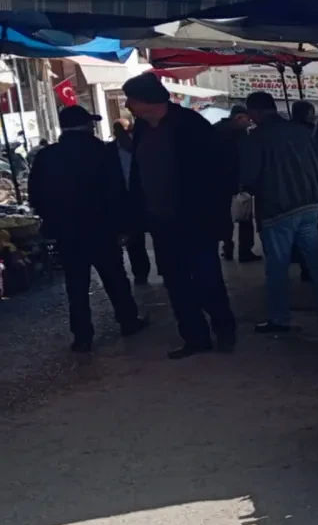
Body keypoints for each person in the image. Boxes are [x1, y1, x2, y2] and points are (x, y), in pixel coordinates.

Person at [123, 73, 237, 358]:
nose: (127, 105)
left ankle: (224, 331)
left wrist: (217, 217)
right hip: (161, 221)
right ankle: (194, 337)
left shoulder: (191, 125)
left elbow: (219, 174)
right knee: (176, 282)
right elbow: (138, 173)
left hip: (196, 220)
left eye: (131, 99)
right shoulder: (142, 128)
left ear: (148, 100)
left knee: (207, 278)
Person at [27, 105, 149, 353]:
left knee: (76, 284)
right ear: (87, 126)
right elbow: (117, 192)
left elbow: (36, 195)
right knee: (115, 278)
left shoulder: (46, 156)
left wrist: (51, 223)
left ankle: (82, 336)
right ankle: (128, 321)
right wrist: (126, 226)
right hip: (102, 229)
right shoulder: (103, 152)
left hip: (67, 232)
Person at [239, 90, 318, 333]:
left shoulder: (257, 137)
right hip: (310, 205)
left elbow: (249, 177)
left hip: (277, 210)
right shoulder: (301, 131)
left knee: (278, 267)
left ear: (256, 111)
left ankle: (279, 319)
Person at [106, 117, 152, 284]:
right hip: (126, 200)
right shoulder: (109, 151)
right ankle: (140, 272)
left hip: (147, 197)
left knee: (157, 235)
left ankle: (164, 269)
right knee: (134, 238)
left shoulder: (144, 146)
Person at [214, 105, 260, 264]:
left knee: (224, 216)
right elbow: (245, 158)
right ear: (239, 117)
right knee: (244, 217)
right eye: (248, 119)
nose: (249, 123)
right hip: (239, 182)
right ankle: (245, 251)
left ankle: (227, 246)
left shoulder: (215, 129)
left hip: (219, 182)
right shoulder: (240, 134)